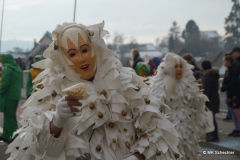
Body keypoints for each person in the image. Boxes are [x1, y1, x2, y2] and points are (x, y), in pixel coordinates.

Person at [6, 22, 180, 160]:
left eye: (84, 50)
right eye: (72, 54)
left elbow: (158, 130)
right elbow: (44, 152)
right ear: (63, 59)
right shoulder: (52, 92)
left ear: (94, 48)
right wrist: (55, 124)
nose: (82, 59)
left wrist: (138, 156)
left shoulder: (126, 81)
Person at [149, 53, 208, 159]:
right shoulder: (160, 87)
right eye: (175, 66)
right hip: (169, 128)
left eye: (181, 66)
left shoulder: (190, 84)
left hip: (187, 129)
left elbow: (198, 106)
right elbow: (155, 108)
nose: (179, 69)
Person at [0, 54, 23, 144]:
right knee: (9, 115)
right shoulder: (18, 69)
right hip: (16, 95)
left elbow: (4, 84)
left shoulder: (8, 70)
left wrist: (0, 91)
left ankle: (15, 137)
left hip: (8, 96)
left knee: (10, 117)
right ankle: (5, 135)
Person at [220, 54, 240, 137]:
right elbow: (226, 80)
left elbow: (233, 82)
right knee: (232, 111)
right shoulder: (228, 70)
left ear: (229, 62)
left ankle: (238, 129)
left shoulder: (234, 70)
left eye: (224, 61)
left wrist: (224, 88)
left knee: (236, 112)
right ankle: (236, 128)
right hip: (230, 93)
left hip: (235, 92)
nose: (223, 62)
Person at [201, 60, 220, 142]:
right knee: (212, 118)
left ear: (203, 68)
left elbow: (207, 90)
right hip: (215, 98)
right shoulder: (214, 75)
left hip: (210, 100)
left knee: (211, 118)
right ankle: (212, 134)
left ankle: (214, 135)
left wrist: (204, 99)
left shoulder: (207, 77)